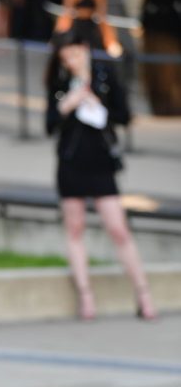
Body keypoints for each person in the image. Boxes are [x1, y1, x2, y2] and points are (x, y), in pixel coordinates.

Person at [45, 32, 157, 320]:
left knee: (117, 227)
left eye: (75, 54)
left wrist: (97, 101)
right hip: (71, 163)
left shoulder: (105, 77)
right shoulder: (59, 82)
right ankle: (86, 296)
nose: (71, 61)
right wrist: (67, 104)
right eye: (66, 56)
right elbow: (50, 124)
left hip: (101, 163)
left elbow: (124, 115)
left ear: (85, 50)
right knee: (75, 228)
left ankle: (143, 293)